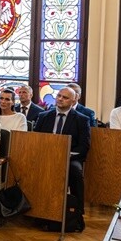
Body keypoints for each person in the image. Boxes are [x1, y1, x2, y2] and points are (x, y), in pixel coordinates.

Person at [35, 86, 91, 231]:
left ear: (73, 101)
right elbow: (35, 139)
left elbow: (84, 146)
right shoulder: (44, 116)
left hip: (70, 158)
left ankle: (77, 213)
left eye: (65, 97)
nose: (60, 99)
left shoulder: (81, 119)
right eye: (59, 95)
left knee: (76, 173)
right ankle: (38, 212)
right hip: (46, 157)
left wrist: (66, 155)